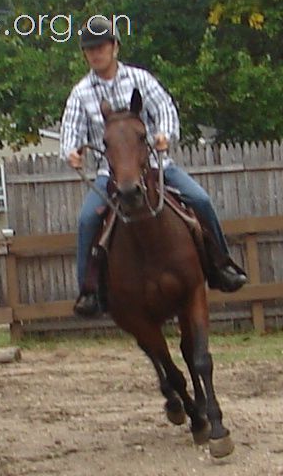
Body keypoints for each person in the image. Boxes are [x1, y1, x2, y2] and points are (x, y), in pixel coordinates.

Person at [60, 17, 247, 317]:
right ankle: (89, 290)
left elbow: (166, 111)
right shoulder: (81, 93)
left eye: (101, 46)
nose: (96, 53)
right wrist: (71, 153)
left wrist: (164, 134)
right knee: (86, 221)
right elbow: (70, 133)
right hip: (111, 174)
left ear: (115, 47)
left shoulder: (141, 79)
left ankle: (221, 265)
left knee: (200, 199)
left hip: (156, 167)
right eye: (89, 49)